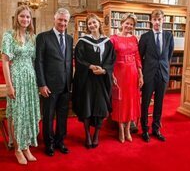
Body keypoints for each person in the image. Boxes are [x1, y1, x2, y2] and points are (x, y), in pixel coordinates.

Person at [1, 5, 40, 165]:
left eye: (28, 17)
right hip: (16, 79)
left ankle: (26, 147)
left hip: (30, 80)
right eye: (22, 16)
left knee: (27, 113)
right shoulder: (9, 36)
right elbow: (5, 62)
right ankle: (17, 148)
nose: (25, 19)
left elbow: (35, 60)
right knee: (16, 114)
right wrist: (9, 85)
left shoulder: (32, 37)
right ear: (17, 17)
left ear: (31, 20)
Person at [72, 13, 116, 149]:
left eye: (94, 22)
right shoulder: (83, 41)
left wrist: (104, 70)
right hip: (87, 79)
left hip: (102, 79)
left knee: (101, 108)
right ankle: (87, 135)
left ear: (99, 23)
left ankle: (96, 134)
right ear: (87, 26)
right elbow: (78, 59)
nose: (92, 25)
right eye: (89, 23)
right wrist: (90, 67)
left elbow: (111, 60)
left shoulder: (107, 41)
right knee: (87, 107)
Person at [35, 8, 73, 156]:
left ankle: (60, 141)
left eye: (65, 20)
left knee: (63, 116)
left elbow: (68, 61)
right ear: (54, 19)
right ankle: (49, 143)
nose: (62, 23)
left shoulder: (69, 39)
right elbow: (39, 62)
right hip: (49, 86)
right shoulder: (43, 37)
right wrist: (42, 84)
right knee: (49, 116)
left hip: (65, 85)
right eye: (60, 20)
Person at [139, 9, 174, 142]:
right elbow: (140, 57)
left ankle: (156, 129)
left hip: (162, 74)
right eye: (155, 19)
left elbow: (168, 55)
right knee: (146, 103)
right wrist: (143, 73)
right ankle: (145, 130)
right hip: (148, 74)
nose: (157, 22)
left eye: (159, 19)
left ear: (163, 20)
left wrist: (164, 68)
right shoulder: (145, 37)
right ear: (151, 20)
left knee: (159, 104)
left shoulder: (168, 36)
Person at [110, 13, 143, 143]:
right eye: (127, 23)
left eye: (132, 24)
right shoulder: (113, 39)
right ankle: (120, 129)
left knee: (131, 101)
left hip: (133, 72)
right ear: (122, 23)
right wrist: (112, 74)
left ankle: (128, 128)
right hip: (119, 72)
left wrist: (141, 75)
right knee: (120, 100)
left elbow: (137, 57)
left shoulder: (134, 39)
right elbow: (110, 59)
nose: (129, 26)